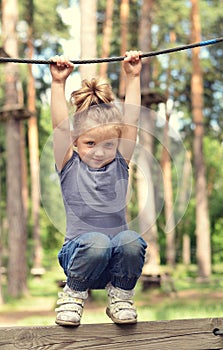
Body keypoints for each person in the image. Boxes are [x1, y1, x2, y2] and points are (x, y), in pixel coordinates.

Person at [49, 50, 147, 327]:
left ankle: (121, 294)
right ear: (76, 143)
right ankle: (73, 293)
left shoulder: (119, 163)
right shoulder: (69, 164)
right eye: (90, 144)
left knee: (131, 240)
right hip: (78, 256)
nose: (99, 152)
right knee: (97, 241)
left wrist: (133, 76)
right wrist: (58, 84)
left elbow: (131, 123)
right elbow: (59, 127)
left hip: (114, 262)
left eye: (108, 145)